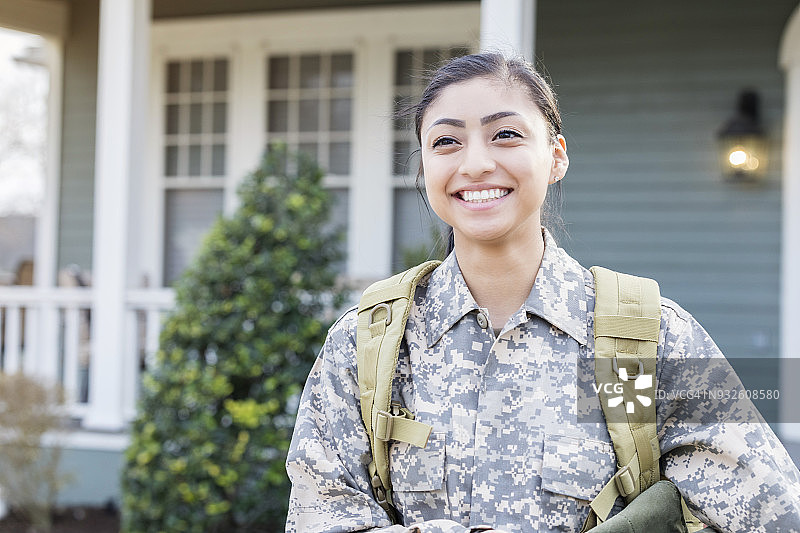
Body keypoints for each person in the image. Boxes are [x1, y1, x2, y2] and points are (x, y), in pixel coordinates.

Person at [285, 52, 800, 532]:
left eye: (505, 134)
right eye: (446, 141)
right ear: (424, 167)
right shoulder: (373, 344)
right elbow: (321, 516)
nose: (476, 163)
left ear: (556, 158)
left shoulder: (633, 344)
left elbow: (772, 515)